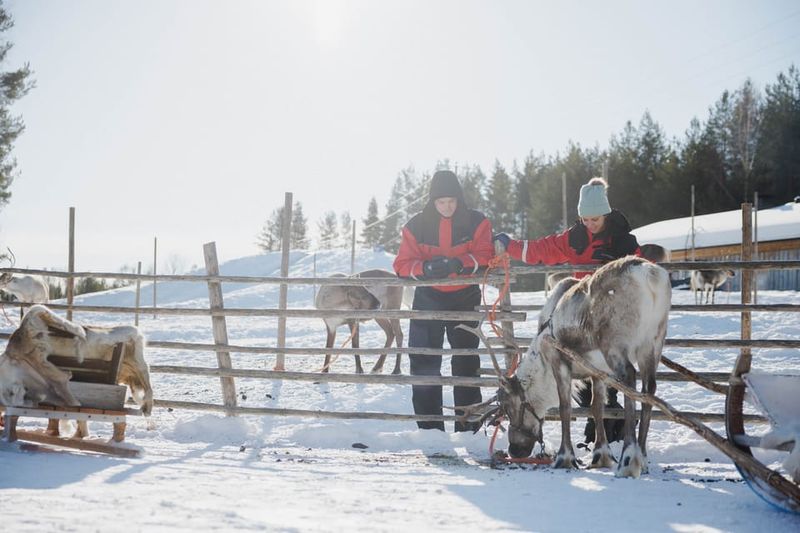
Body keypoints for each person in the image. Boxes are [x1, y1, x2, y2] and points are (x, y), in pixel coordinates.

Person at [494, 177, 641, 445]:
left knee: (612, 370)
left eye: (595, 219)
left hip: (615, 313)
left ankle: (613, 420)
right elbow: (542, 249)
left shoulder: (624, 241)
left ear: (605, 214)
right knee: (581, 369)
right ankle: (599, 422)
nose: (589, 224)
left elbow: (645, 269)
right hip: (581, 312)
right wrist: (511, 244)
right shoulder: (574, 238)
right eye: (585, 219)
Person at [393, 170, 494, 431]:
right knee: (424, 360)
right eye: (441, 202)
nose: (447, 207)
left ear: (459, 198)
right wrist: (424, 269)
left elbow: (485, 253)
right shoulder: (415, 226)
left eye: (451, 201)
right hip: (428, 298)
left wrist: (462, 263)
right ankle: (430, 429)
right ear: (432, 201)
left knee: (466, 360)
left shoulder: (477, 221)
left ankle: (468, 426)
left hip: (465, 296)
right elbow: (402, 264)